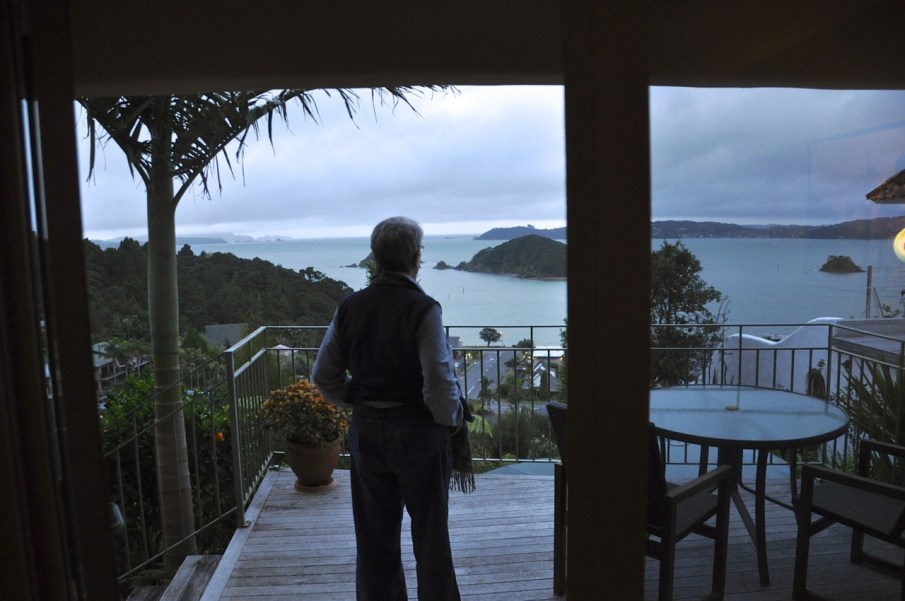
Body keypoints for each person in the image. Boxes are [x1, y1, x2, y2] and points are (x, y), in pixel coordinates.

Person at [312, 216, 464, 601]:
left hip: (367, 432)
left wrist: (356, 400)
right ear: (415, 258)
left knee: (374, 539)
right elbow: (439, 382)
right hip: (418, 433)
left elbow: (323, 375)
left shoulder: (350, 307)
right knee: (431, 538)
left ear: (375, 258)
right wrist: (452, 421)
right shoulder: (423, 308)